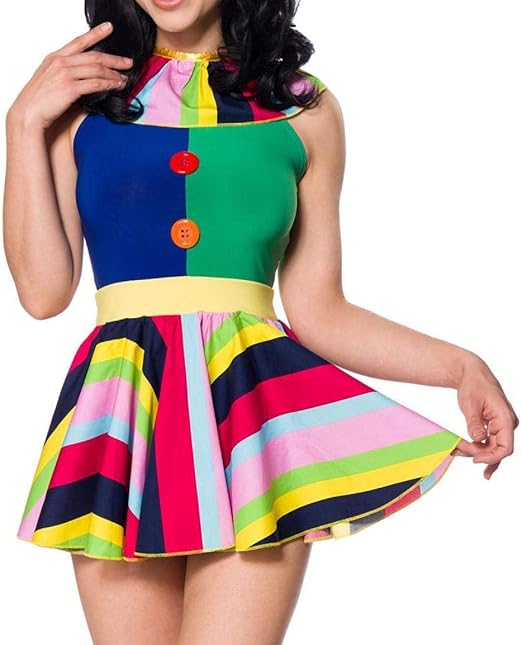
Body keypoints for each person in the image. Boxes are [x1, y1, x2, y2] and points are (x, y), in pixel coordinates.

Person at [3, 1, 518, 643]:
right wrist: (22, 122)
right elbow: (43, 293)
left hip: (251, 423)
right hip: (123, 417)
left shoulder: (304, 109)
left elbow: (320, 312)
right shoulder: (80, 103)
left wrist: (462, 368)